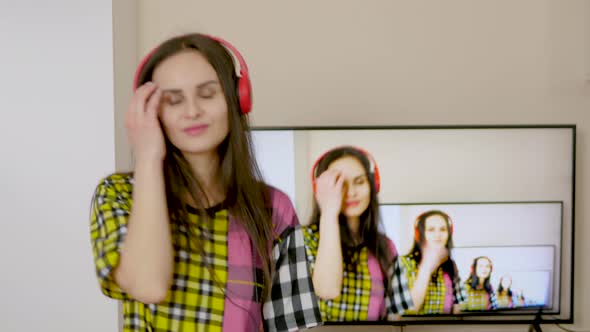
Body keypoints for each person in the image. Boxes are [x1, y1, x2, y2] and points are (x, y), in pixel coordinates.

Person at [89, 33, 322, 332]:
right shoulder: (120, 194)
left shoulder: (273, 208)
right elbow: (148, 286)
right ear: (152, 112)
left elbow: (292, 327)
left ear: (238, 99)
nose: (191, 111)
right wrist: (148, 156)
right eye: (173, 100)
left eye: (208, 94)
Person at [302, 146, 413, 321]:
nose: (351, 192)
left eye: (359, 182)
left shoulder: (385, 246)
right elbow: (327, 289)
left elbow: (396, 316)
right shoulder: (304, 238)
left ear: (372, 185)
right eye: (340, 184)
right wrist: (329, 211)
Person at [399, 210, 464, 315]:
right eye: (431, 230)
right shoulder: (403, 263)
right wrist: (427, 266)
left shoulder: (451, 266)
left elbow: (457, 309)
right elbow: (407, 311)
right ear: (419, 234)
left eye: (443, 229)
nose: (438, 235)